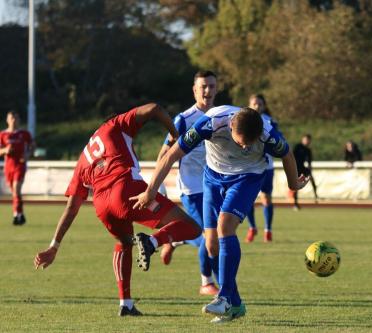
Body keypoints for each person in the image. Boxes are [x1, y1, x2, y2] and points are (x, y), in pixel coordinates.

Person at [130, 106, 308, 323]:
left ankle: (223, 297)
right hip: (213, 178)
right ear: (231, 125)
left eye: (249, 144)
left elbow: (287, 154)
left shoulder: (266, 132)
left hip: (247, 177)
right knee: (211, 245)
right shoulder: (211, 122)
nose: (244, 146)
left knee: (225, 226)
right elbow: (171, 155)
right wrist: (150, 192)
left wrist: (293, 184)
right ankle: (235, 305)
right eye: (240, 141)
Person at [33, 103, 201, 316]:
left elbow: (72, 207)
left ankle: (126, 304)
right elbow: (155, 108)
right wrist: (175, 135)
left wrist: (54, 246)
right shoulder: (115, 125)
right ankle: (152, 241)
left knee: (123, 243)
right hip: (126, 190)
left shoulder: (84, 158)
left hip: (102, 206)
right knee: (192, 227)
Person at [156, 70, 219, 296]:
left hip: (217, 187)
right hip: (192, 188)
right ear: (194, 90)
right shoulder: (183, 120)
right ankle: (208, 283)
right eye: (203, 86)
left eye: (211, 86)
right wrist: (155, 188)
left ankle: (174, 240)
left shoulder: (223, 117)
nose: (207, 91)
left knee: (217, 234)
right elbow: (164, 154)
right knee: (210, 237)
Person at [245, 94, 277, 243]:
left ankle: (268, 230)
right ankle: (252, 228)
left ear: (264, 106)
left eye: (259, 104)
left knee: (266, 198)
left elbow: (277, 143)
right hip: (248, 167)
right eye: (254, 104)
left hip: (266, 167)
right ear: (250, 105)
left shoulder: (270, 121)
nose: (257, 106)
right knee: (248, 199)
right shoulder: (243, 119)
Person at [0, 111, 35, 225]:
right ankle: (20, 214)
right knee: (15, 193)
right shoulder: (3, 135)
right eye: (11, 118)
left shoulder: (24, 134)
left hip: (20, 165)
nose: (13, 120)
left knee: (16, 189)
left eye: (15, 118)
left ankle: (16, 215)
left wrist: (27, 155)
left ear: (19, 120)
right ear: (7, 120)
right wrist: (5, 150)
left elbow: (32, 146)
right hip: (8, 167)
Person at [291, 134, 318, 210]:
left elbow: (309, 162)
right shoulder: (297, 147)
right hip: (296, 168)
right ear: (302, 139)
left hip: (303, 168)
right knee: (296, 185)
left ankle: (316, 197)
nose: (306, 141)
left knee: (311, 179)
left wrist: (310, 171)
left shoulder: (308, 150)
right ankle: (295, 203)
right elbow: (291, 157)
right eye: (305, 139)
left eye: (308, 140)